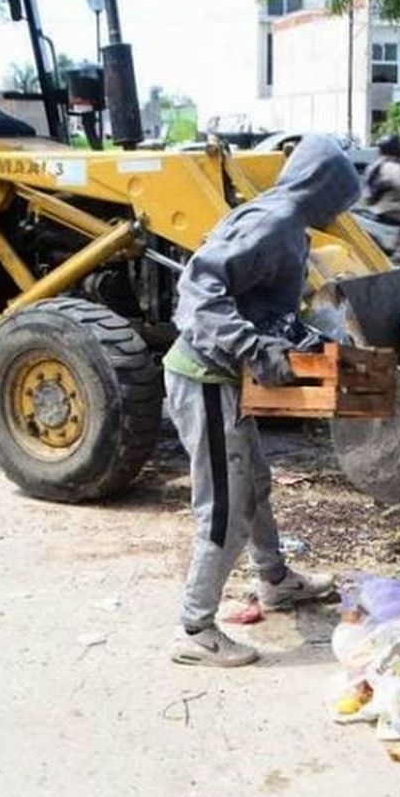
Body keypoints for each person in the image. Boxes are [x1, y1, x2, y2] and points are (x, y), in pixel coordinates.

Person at [163, 134, 355, 667]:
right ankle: (195, 630)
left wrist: (305, 341)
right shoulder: (274, 223)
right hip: (204, 376)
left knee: (256, 484)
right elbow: (201, 287)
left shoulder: (286, 221)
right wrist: (251, 346)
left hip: (224, 377)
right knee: (224, 506)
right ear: (324, 187)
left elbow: (263, 303)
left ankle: (275, 580)